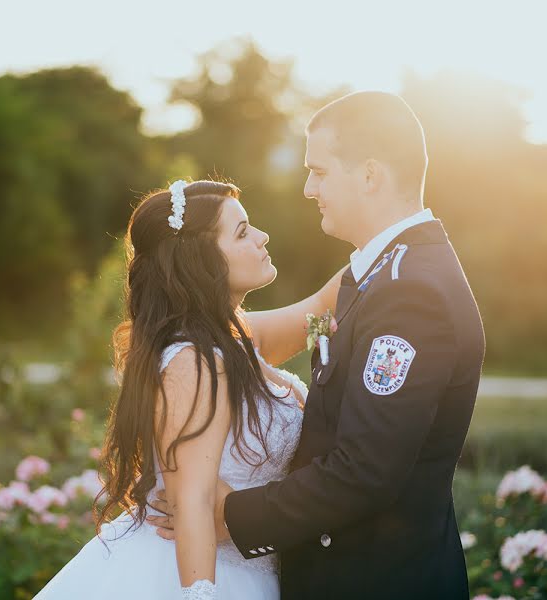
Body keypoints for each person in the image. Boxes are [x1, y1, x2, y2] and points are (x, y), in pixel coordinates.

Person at [151, 91, 486, 599]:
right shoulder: (369, 275)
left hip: (377, 583)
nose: (309, 189)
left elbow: (365, 470)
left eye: (320, 172)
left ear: (370, 175)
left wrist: (226, 515)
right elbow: (220, 340)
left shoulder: (409, 291)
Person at [34, 179, 345, 599]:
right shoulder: (194, 359)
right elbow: (195, 501)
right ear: (202, 261)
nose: (262, 236)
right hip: (203, 574)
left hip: (254, 565)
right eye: (241, 231)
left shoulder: (236, 340)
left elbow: (322, 308)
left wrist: (394, 239)